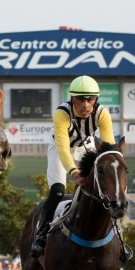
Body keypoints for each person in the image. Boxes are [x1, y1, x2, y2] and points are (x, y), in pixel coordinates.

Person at [29, 75, 117, 259]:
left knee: (104, 190)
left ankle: (119, 238)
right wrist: (73, 172)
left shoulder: (102, 113)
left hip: (86, 147)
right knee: (58, 191)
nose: (85, 105)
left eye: (90, 99)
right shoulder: (62, 112)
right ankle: (41, 235)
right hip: (61, 149)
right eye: (80, 100)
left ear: (96, 99)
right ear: (72, 99)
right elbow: (63, 147)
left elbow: (108, 146)